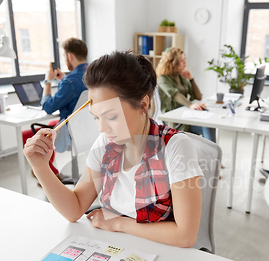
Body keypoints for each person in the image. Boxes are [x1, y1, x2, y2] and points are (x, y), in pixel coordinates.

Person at [23, 51, 203, 248]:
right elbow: (74, 210)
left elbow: (185, 236)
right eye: (97, 118)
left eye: (112, 117)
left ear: (143, 104)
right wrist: (41, 167)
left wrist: (119, 223)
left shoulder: (175, 146)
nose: (102, 128)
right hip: (117, 251)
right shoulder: (105, 143)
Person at [22, 37, 88, 182]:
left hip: (71, 131)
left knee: (25, 135)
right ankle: (52, 173)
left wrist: (48, 82)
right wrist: (64, 80)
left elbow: (48, 107)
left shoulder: (69, 82)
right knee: (51, 126)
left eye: (65, 56)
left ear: (69, 56)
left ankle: (49, 174)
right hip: (90, 129)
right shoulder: (95, 74)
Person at [156, 47, 216, 142]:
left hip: (184, 116)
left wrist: (191, 79)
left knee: (209, 124)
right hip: (174, 120)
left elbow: (198, 97)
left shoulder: (181, 78)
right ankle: (212, 153)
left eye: (184, 60)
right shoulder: (163, 79)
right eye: (181, 60)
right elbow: (175, 94)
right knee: (207, 126)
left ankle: (211, 152)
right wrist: (191, 105)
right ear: (172, 62)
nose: (184, 63)